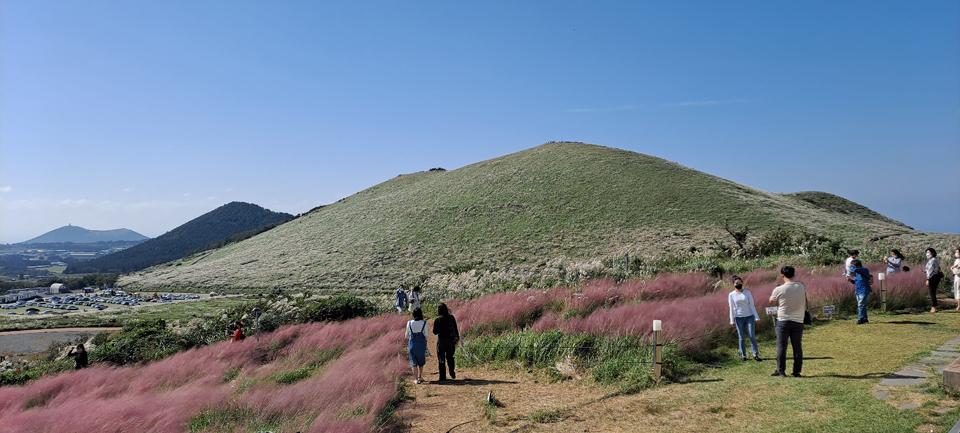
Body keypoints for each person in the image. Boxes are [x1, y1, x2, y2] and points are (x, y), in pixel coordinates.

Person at [769, 266, 806, 378]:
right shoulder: (801, 286)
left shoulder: (779, 289)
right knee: (797, 346)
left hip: (783, 320)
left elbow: (771, 301)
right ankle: (796, 371)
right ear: (794, 274)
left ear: (782, 276)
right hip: (798, 320)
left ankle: (780, 371)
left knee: (781, 346)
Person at [727, 276, 761, 361]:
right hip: (739, 317)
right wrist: (732, 320)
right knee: (741, 337)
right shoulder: (731, 295)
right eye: (736, 283)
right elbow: (731, 308)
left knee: (751, 335)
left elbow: (752, 305)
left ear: (742, 283)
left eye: (740, 283)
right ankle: (743, 355)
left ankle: (755, 354)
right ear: (733, 285)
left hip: (749, 316)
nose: (738, 284)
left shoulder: (747, 292)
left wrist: (756, 317)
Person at [433, 303, 460, 380]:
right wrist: (457, 338)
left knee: (441, 358)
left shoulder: (438, 320)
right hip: (450, 340)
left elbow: (435, 332)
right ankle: (452, 372)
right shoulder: (451, 318)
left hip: (441, 340)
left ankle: (442, 377)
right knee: (450, 357)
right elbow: (455, 328)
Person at [406, 308, 429, 384]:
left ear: (413, 314)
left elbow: (407, 335)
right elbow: (426, 335)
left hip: (412, 344)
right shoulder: (424, 323)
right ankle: (420, 376)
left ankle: (415, 379)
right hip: (421, 344)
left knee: (413, 362)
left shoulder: (409, 323)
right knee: (421, 361)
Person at [848, 259, 873, 324]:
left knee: (860, 305)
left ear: (857, 265)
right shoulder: (857, 273)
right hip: (858, 290)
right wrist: (851, 281)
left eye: (853, 265)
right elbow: (857, 282)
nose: (852, 267)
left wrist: (850, 266)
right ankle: (865, 319)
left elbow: (855, 269)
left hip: (864, 290)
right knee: (862, 305)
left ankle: (860, 319)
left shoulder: (864, 270)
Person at [925, 248, 943, 313]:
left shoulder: (931, 261)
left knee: (932, 293)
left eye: (928, 252)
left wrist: (928, 279)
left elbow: (930, 270)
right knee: (933, 292)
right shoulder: (936, 260)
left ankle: (934, 307)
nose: (927, 254)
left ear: (932, 253)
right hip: (937, 276)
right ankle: (934, 307)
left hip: (932, 277)